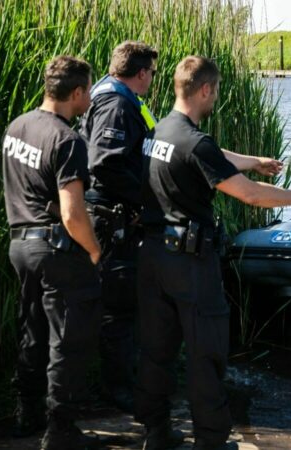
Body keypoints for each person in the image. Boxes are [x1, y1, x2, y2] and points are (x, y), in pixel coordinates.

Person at [134, 56, 291, 450]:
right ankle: (210, 441)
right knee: (206, 354)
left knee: (157, 352)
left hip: (153, 258)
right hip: (190, 263)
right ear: (205, 89)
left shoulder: (159, 132)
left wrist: (254, 161)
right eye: (216, 91)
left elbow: (210, 156)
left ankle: (155, 434)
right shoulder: (194, 141)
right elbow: (250, 194)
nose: (216, 98)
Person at [3, 55, 102, 449]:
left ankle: (25, 412)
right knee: (67, 339)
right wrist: (94, 251)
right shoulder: (68, 139)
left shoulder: (18, 125)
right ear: (76, 93)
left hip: (19, 244)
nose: (91, 98)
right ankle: (60, 430)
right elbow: (72, 213)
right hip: (55, 249)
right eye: (89, 91)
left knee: (32, 330)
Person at [78, 40, 158, 412]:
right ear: (141, 73)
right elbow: (105, 164)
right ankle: (117, 390)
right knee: (119, 308)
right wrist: (142, 201)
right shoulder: (116, 104)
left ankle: (119, 382)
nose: (152, 80)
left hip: (116, 216)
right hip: (113, 219)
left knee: (120, 305)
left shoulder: (113, 97)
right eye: (151, 73)